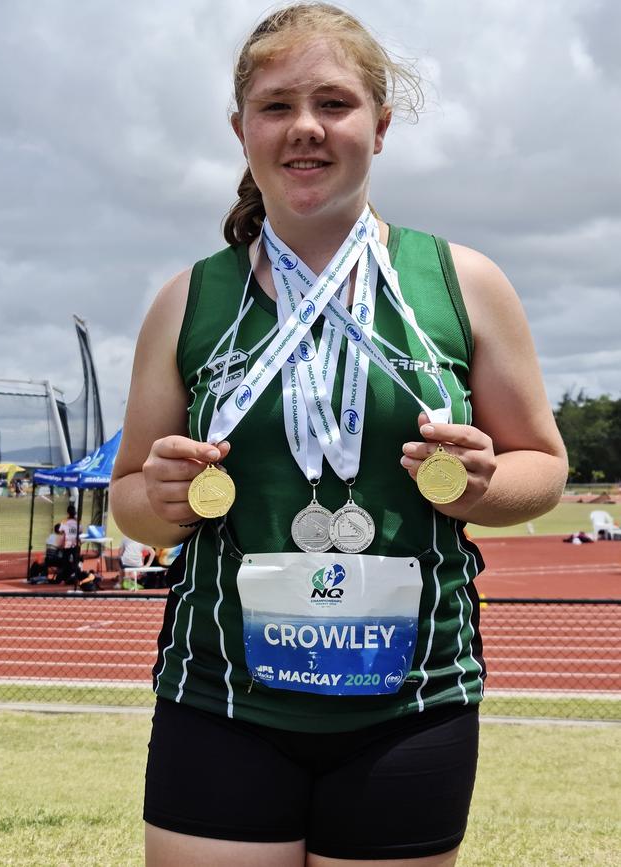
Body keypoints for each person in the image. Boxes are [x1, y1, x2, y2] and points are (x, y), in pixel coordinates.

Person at [110, 5, 568, 865]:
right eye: (277, 106)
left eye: (335, 102)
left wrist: (482, 484)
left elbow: (542, 465)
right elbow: (132, 496)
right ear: (241, 128)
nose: (305, 128)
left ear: (381, 126)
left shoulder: (463, 282)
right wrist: (162, 496)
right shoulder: (188, 301)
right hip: (222, 698)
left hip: (412, 703)